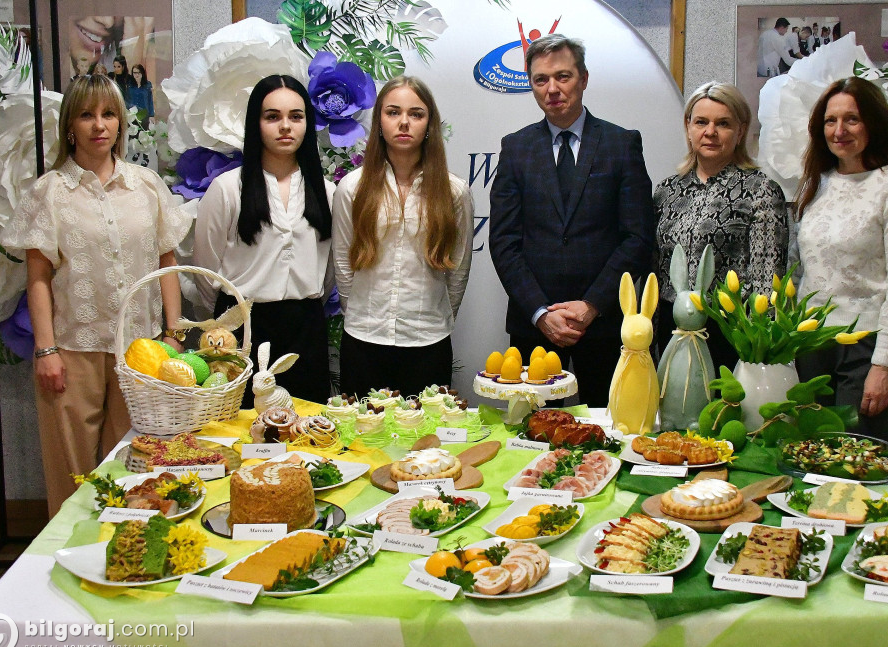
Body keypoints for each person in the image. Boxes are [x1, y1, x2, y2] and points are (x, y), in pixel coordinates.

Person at [0, 74, 189, 516]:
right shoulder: (49, 193)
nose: (98, 125)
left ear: (121, 123)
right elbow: (38, 279)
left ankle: (131, 556)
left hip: (140, 351)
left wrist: (174, 335)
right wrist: (45, 350)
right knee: (71, 473)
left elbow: (169, 263)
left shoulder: (145, 187)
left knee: (136, 467)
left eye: (108, 114)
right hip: (72, 350)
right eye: (86, 115)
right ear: (70, 126)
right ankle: (65, 563)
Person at [489, 34, 654, 408]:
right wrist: (540, 313)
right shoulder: (516, 148)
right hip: (535, 326)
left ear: (583, 78)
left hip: (605, 325)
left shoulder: (621, 144)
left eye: (563, 76)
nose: (552, 89)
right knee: (532, 440)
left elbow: (637, 238)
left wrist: (592, 305)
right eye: (540, 79)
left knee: (607, 434)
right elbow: (504, 241)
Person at [791, 77, 888, 441]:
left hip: (864, 344)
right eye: (830, 121)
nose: (839, 131)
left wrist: (883, 365)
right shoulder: (814, 184)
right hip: (811, 343)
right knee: (808, 452)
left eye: (852, 119)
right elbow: (801, 269)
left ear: (874, 123)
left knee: (853, 458)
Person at [194, 75, 334, 405]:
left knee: (307, 432)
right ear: (255, 123)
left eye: (295, 117)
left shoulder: (327, 193)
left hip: (306, 330)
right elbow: (206, 274)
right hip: (242, 330)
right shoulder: (227, 189)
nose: (285, 126)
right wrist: (232, 316)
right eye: (272, 116)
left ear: (307, 123)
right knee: (239, 434)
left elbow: (329, 273)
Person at [332, 77, 473, 397]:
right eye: (393, 112)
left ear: (429, 124)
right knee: (362, 440)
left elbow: (459, 268)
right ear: (379, 121)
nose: (404, 122)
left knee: (424, 442)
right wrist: (364, 312)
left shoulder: (453, 192)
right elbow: (343, 262)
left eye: (417, 114)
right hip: (363, 340)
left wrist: (431, 316)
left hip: (428, 343)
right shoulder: (351, 188)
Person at [654, 82, 787, 372]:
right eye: (701, 122)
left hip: (730, 330)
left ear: (740, 131)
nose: (710, 132)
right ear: (688, 127)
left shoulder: (761, 191)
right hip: (671, 328)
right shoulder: (666, 191)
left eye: (723, 123)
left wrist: (759, 345)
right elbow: (658, 268)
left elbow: (768, 276)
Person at [129, 64, 154, 128]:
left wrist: (151, 115)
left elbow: (150, 100)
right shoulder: (130, 85)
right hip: (133, 114)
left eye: (139, 73)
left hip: (144, 114)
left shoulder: (148, 85)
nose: (137, 75)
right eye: (135, 73)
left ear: (142, 73)